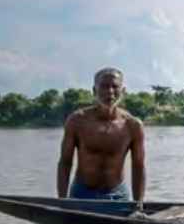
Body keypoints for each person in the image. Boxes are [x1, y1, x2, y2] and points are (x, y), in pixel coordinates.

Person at [57, 67, 145, 202]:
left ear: (122, 91)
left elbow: (138, 166)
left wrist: (139, 204)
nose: (110, 91)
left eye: (114, 86)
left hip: (118, 195)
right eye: (104, 86)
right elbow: (65, 162)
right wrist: (62, 201)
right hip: (82, 194)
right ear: (94, 90)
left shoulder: (133, 126)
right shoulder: (77, 121)